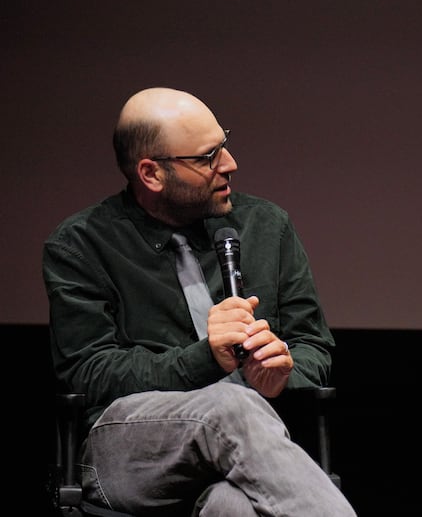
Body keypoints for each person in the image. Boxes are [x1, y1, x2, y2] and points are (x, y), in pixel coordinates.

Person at [43, 87, 357, 516]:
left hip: (250, 449)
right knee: (230, 405)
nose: (229, 164)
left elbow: (312, 345)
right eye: (207, 157)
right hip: (130, 453)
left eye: (223, 145)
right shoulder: (81, 245)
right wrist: (205, 360)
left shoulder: (266, 225)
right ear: (151, 174)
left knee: (233, 507)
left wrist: (283, 373)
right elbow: (89, 372)